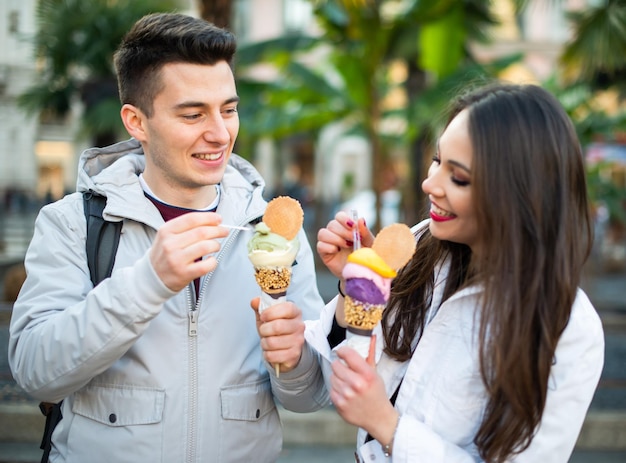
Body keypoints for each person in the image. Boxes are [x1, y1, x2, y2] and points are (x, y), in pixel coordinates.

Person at [9, 13, 326, 463]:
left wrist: (294, 362)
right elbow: (35, 372)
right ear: (136, 121)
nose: (220, 133)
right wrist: (148, 283)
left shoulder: (274, 231)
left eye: (229, 109)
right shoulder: (74, 223)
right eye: (193, 114)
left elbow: (308, 398)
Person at [309, 82, 605, 462]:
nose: (428, 184)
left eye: (459, 177)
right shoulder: (420, 248)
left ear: (517, 193)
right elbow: (345, 369)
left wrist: (388, 426)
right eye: (437, 161)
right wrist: (359, 290)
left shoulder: (568, 327)